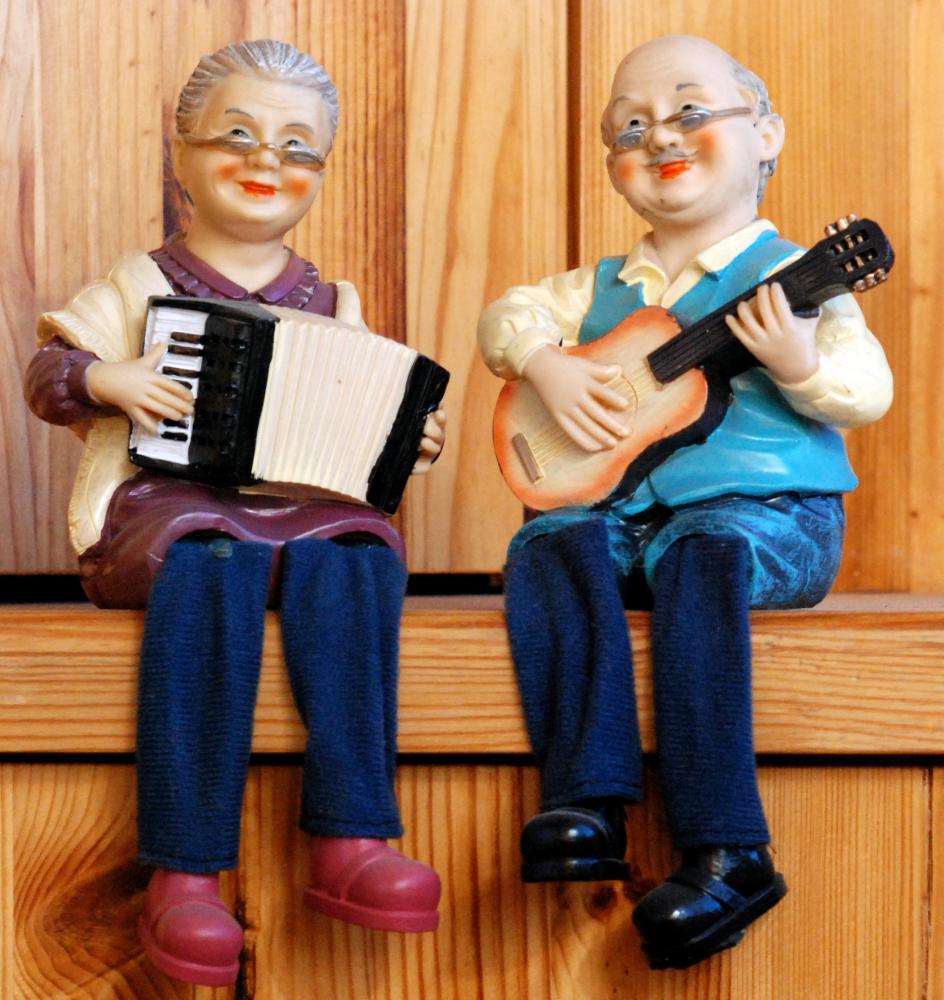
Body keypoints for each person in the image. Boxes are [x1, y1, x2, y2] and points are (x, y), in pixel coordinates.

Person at [26, 39, 446, 988]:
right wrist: (108, 378)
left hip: (295, 509)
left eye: (298, 148)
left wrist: (404, 435)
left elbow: (362, 405)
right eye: (238, 137)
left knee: (360, 558)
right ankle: (186, 867)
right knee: (213, 561)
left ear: (322, 171)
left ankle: (354, 835)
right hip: (164, 508)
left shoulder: (330, 301)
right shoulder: (138, 284)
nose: (267, 162)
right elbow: (51, 376)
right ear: (182, 153)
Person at [477, 34, 892, 970]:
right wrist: (544, 363)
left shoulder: (800, 280)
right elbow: (507, 317)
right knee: (549, 542)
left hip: (771, 520)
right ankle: (586, 799)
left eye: (691, 113)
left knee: (705, 550)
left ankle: (729, 849)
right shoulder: (600, 289)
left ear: (766, 135)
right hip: (629, 517)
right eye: (631, 127)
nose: (660, 137)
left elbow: (866, 392)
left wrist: (798, 362)